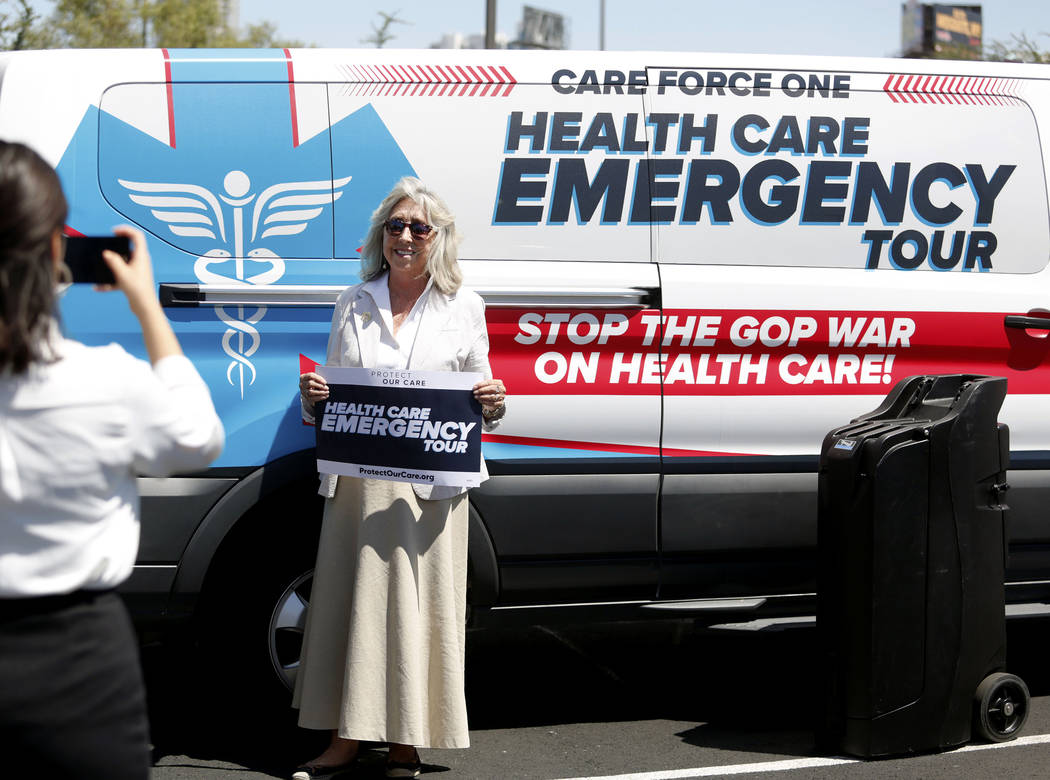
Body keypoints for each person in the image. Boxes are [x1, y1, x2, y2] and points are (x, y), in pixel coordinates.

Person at [0, 140, 225, 779]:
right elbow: (198, 436)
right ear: (53, 252)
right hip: (78, 671)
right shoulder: (106, 380)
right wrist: (147, 305)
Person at [294, 177, 507, 780]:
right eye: (395, 226)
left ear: (438, 238)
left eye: (419, 227)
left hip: (430, 491)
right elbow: (330, 400)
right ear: (380, 237)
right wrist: (314, 397)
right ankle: (342, 741)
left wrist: (492, 399)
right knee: (349, 611)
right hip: (361, 486)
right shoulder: (353, 300)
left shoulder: (465, 306)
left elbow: (482, 394)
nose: (406, 236)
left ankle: (406, 745)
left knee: (417, 613)